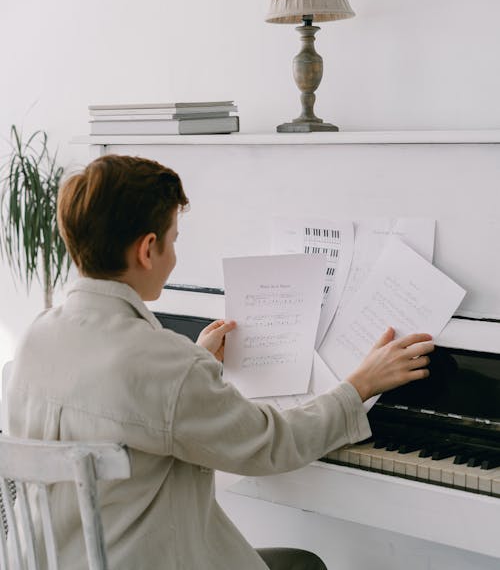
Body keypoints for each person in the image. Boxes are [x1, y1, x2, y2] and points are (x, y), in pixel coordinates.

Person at [7, 155, 434, 570]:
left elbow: (128, 393)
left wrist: (192, 358)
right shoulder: (164, 365)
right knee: (303, 563)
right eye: (174, 239)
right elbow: (271, 443)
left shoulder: (34, 340)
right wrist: (359, 384)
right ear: (147, 249)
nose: (174, 257)